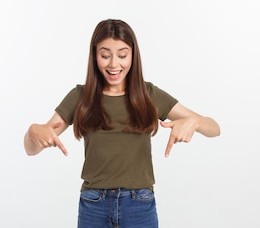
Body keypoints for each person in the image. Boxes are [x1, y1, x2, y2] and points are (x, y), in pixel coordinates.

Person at [23, 18, 220, 228]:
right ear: (95, 56)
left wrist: (193, 122)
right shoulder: (81, 97)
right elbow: (31, 149)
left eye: (122, 55)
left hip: (139, 205)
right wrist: (33, 131)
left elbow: (214, 129)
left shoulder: (148, 95)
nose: (114, 64)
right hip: (93, 205)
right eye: (105, 55)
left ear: (133, 55)